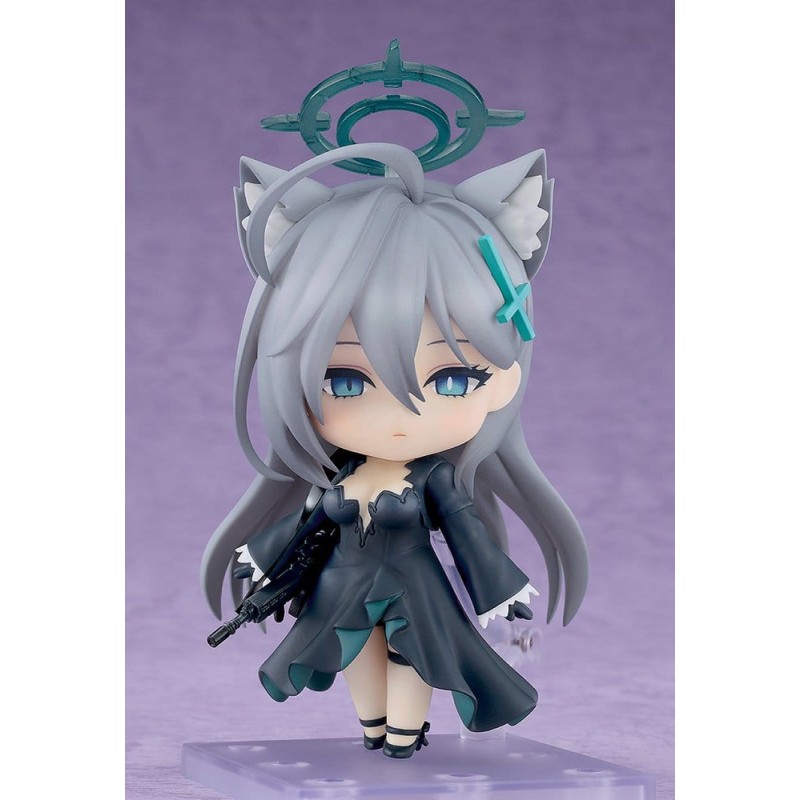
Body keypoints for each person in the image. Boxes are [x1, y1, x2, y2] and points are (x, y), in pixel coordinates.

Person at [201, 142, 588, 758]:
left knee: (414, 655)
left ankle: (404, 735)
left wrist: (501, 591)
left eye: (452, 379)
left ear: (502, 379)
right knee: (353, 650)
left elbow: (467, 537)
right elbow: (301, 533)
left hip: (416, 590)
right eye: (343, 381)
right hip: (340, 590)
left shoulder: (434, 482)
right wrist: (261, 559)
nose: (400, 415)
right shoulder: (335, 480)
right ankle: (374, 728)